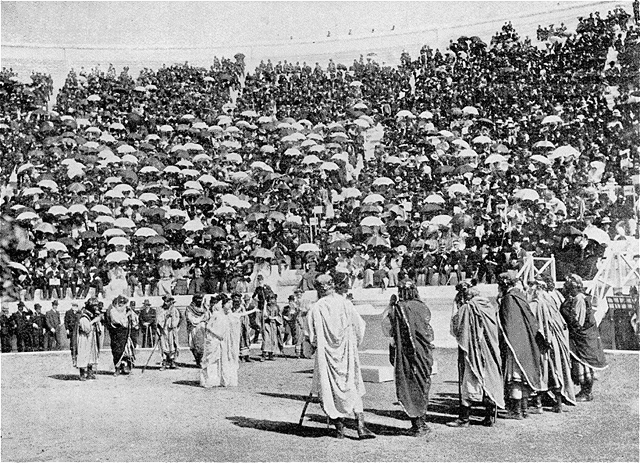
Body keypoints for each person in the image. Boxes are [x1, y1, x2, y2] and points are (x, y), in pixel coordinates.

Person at [307, 272, 375, 440]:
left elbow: (311, 336)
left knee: (330, 390)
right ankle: (360, 427)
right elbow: (359, 326)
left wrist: (319, 344)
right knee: (352, 385)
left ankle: (340, 430)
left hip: (327, 357)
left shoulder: (316, 308)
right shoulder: (345, 304)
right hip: (347, 354)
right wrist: (353, 343)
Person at [447, 280, 504, 428]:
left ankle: (464, 418)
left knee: (469, 381)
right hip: (490, 350)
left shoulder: (467, 308)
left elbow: (455, 328)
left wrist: (455, 307)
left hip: (474, 351)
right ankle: (489, 416)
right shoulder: (488, 306)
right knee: (489, 379)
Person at [382, 279, 434, 437]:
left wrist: (390, 305)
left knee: (410, 384)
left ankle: (417, 424)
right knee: (422, 384)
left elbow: (387, 327)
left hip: (406, 353)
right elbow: (428, 331)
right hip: (423, 352)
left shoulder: (399, 308)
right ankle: (421, 422)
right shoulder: (423, 307)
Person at [497, 271, 548, 419]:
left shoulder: (509, 299)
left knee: (515, 377)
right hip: (526, 342)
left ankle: (517, 411)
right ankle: (524, 409)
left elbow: (507, 323)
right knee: (523, 375)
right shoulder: (521, 296)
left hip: (514, 344)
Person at [527, 276, 576, 413]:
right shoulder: (551, 301)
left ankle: (538, 404)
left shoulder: (536, 303)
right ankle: (558, 403)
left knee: (542, 371)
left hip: (544, 343)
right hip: (556, 341)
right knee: (556, 371)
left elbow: (535, 325)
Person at [560, 274, 608, 402]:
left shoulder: (579, 299)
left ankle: (586, 392)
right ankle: (585, 391)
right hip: (583, 337)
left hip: (583, 338)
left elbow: (578, 321)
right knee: (582, 363)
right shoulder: (576, 298)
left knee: (584, 364)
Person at [200, 293, 257, 388]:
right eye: (228, 303)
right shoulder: (216, 314)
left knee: (224, 359)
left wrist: (253, 310)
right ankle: (210, 380)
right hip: (215, 339)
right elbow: (208, 326)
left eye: (231, 303)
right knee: (213, 359)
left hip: (224, 340)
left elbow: (238, 315)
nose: (230, 305)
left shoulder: (228, 315)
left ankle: (221, 379)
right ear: (223, 304)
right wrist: (217, 334)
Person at [105, 295, 138, 376]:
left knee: (128, 351)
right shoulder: (113, 311)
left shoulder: (127, 310)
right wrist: (126, 315)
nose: (121, 305)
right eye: (119, 303)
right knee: (117, 351)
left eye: (123, 303)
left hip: (126, 334)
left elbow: (135, 320)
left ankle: (126, 366)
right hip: (116, 334)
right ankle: (117, 368)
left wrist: (131, 315)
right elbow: (117, 321)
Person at [75, 299, 103, 381]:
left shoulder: (92, 315)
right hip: (84, 339)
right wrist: (94, 321)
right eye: (94, 306)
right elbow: (86, 329)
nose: (96, 308)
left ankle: (90, 372)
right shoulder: (84, 317)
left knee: (91, 355)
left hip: (91, 338)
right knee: (83, 354)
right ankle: (82, 373)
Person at [156, 295, 181, 370]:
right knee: (163, 345)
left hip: (171, 330)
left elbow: (177, 318)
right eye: (165, 301)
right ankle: (164, 362)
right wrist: (164, 319)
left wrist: (172, 322)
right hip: (163, 331)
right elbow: (158, 319)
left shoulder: (174, 310)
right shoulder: (159, 309)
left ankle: (172, 361)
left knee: (172, 344)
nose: (166, 303)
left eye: (168, 301)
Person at [185, 294, 209, 367]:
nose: (199, 301)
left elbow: (207, 316)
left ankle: (201, 360)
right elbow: (191, 319)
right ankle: (197, 360)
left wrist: (203, 317)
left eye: (200, 299)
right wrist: (200, 319)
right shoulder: (189, 308)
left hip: (202, 328)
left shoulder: (204, 308)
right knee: (193, 345)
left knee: (202, 345)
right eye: (198, 299)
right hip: (193, 328)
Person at [261, 290, 283, 361]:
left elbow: (280, 316)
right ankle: (264, 355)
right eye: (270, 299)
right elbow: (264, 316)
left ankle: (271, 354)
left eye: (273, 299)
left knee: (273, 339)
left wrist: (276, 318)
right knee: (266, 339)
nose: (272, 301)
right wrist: (267, 317)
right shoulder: (266, 307)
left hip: (274, 325)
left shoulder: (277, 307)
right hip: (267, 325)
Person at [65, 302, 80, 366]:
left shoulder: (79, 313)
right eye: (74, 306)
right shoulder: (68, 312)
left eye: (76, 306)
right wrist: (67, 329)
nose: (75, 307)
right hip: (71, 331)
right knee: (73, 345)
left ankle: (78, 358)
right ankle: (73, 358)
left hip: (78, 331)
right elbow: (66, 321)